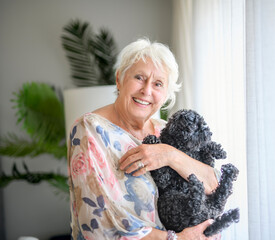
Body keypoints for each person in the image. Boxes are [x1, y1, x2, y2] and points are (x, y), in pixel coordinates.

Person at [68, 38, 220, 240]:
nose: (147, 90)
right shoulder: (90, 129)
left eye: (158, 83)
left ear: (166, 94)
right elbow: (99, 222)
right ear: (119, 79)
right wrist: (178, 239)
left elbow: (214, 186)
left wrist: (170, 155)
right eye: (139, 77)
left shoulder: (167, 132)